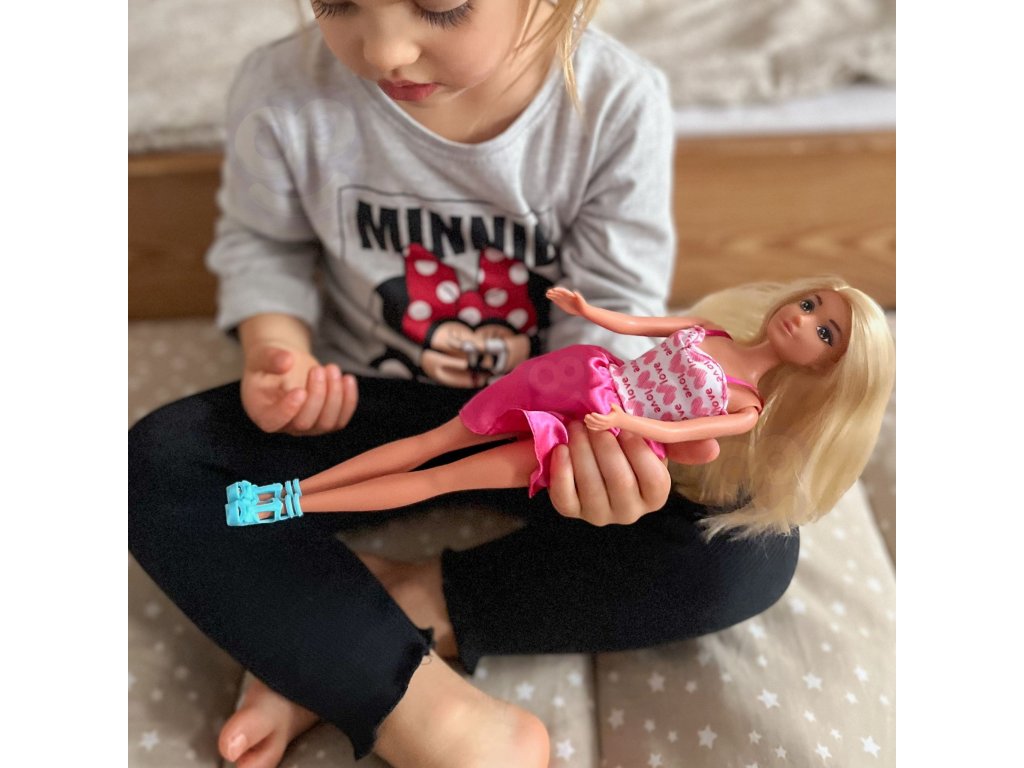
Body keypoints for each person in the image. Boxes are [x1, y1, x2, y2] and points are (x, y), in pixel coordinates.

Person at [127, 2, 812, 766]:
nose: (385, 50)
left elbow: (613, 305)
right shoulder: (280, 87)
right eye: (337, 2)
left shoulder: (616, 102)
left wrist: (605, 452)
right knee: (158, 464)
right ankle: (411, 703)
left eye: (441, 6)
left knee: (750, 544)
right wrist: (277, 353)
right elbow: (264, 247)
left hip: (546, 429)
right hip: (363, 404)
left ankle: (368, 622)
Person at [226, 279, 894, 536]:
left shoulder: (746, 405)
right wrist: (585, 310)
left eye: (825, 333)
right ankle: (286, 492)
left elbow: (678, 431)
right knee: (435, 441)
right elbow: (637, 327)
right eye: (811, 305)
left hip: (599, 442)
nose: (803, 320)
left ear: (825, 367)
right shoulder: (709, 330)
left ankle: (290, 506)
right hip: (581, 376)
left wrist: (624, 423)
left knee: (444, 478)